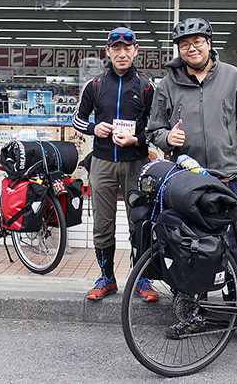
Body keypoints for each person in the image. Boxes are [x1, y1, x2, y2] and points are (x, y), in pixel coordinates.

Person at [147, 17, 237, 349]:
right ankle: (189, 313)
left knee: (235, 247)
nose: (191, 48)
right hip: (187, 184)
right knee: (188, 249)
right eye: (185, 44)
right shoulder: (167, 84)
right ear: (179, 50)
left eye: (197, 42)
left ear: (209, 44)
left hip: (226, 182)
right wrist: (166, 136)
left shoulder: (232, 78)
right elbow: (152, 130)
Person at [72, 27, 157, 302]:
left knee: (141, 222)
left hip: (137, 163)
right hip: (103, 162)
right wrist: (94, 128)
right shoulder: (95, 85)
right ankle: (106, 276)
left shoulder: (146, 86)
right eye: (116, 49)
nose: (122, 54)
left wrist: (137, 138)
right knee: (103, 223)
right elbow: (77, 120)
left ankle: (142, 278)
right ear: (107, 51)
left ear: (135, 51)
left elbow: (158, 126)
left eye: (127, 49)